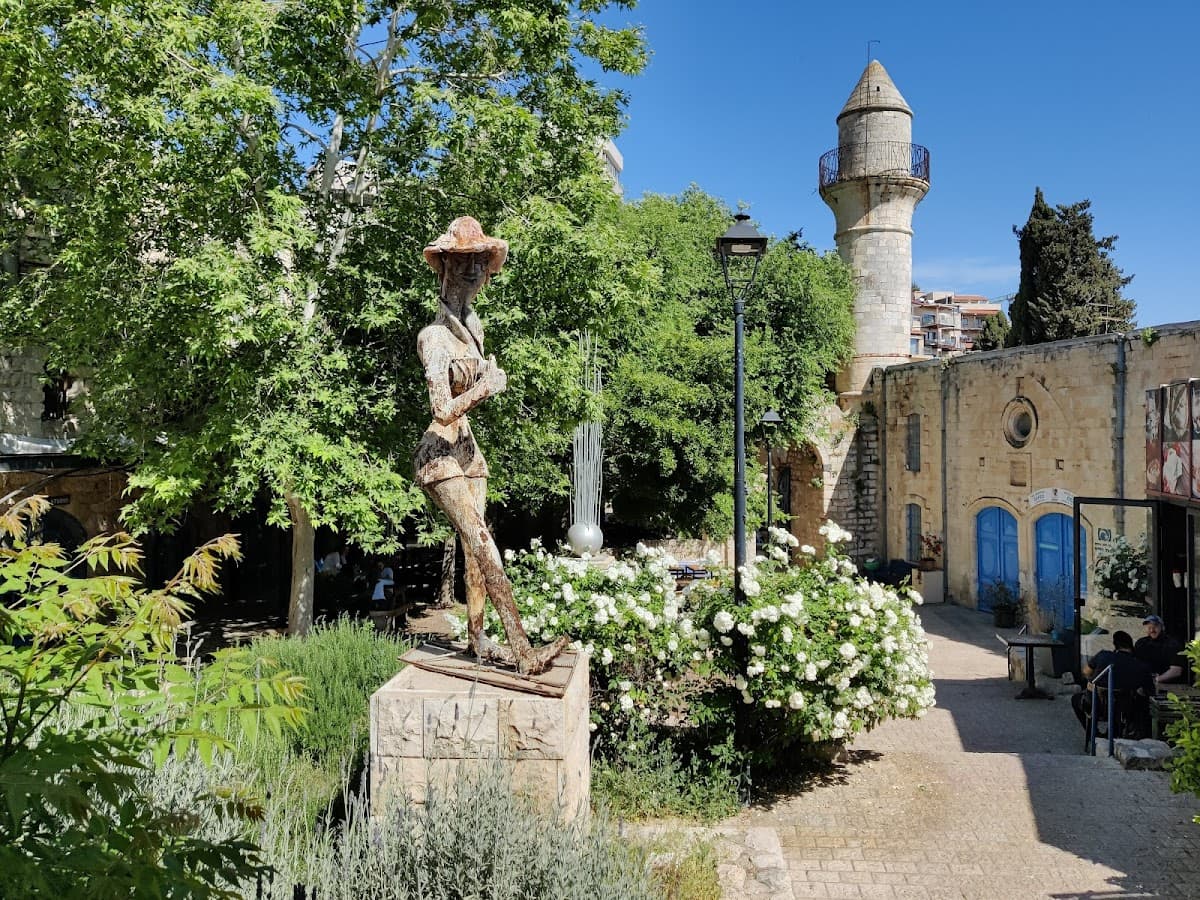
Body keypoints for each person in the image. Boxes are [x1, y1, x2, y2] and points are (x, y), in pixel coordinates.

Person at [414, 217, 566, 676]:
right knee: (484, 545)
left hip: (468, 449)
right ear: (445, 267)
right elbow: (442, 408)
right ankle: (522, 650)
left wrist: (483, 374)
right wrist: (488, 386)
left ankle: (478, 638)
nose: (475, 269)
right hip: (439, 452)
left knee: (476, 549)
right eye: (465, 260)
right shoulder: (433, 337)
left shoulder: (472, 332)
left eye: (480, 260)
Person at [1071, 630, 1154, 736]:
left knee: (1075, 699)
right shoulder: (1141, 666)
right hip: (1123, 711)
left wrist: (1092, 681)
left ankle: (1093, 733)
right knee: (1138, 703)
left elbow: (1086, 671)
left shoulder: (1103, 655)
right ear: (1132, 647)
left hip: (1095, 706)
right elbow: (1149, 692)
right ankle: (1118, 734)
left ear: (1115, 645)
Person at [1134, 614, 1185, 686]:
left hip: (1169, 687)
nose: (1152, 630)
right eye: (1149, 627)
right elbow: (1135, 664)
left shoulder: (1172, 644)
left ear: (1162, 627)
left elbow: (1176, 671)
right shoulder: (1141, 643)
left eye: (1155, 626)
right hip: (1143, 686)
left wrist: (1156, 680)